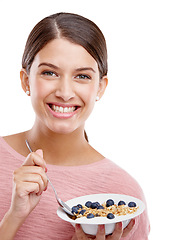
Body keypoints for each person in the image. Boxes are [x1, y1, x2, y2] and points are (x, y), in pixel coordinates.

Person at [0, 12, 150, 240]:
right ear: (25, 80)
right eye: (49, 73)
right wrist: (13, 218)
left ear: (100, 87)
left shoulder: (124, 196)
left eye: (82, 76)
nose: (65, 93)